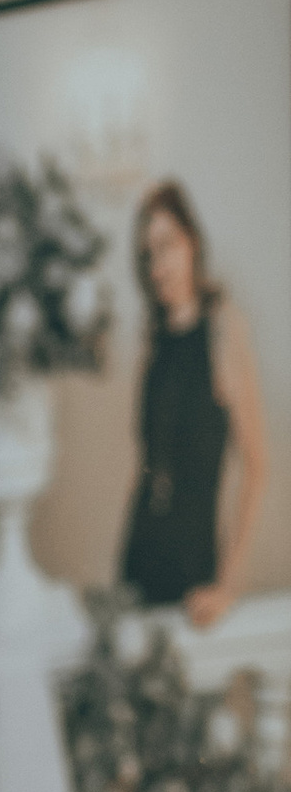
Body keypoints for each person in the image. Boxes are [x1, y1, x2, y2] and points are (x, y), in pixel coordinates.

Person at [119, 178, 272, 630]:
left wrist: (227, 584)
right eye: (148, 254)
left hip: (193, 577)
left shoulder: (223, 331)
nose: (157, 266)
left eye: (166, 245)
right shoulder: (153, 341)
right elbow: (147, 467)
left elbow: (257, 467)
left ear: (193, 241)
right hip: (137, 564)